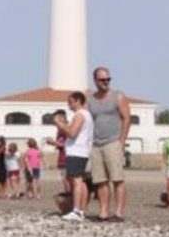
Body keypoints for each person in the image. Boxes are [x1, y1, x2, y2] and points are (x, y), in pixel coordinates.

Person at [88, 67, 132, 222]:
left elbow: (127, 118)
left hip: (113, 142)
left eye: (108, 79)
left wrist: (121, 141)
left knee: (117, 179)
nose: (105, 82)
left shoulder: (118, 96)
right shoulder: (90, 99)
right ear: (95, 80)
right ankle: (103, 212)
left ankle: (119, 212)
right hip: (96, 144)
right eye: (102, 79)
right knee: (100, 180)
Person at [56, 93, 94, 222]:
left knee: (76, 181)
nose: (69, 105)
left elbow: (72, 133)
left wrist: (60, 124)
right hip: (82, 151)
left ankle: (77, 210)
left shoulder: (80, 115)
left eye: (71, 101)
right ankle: (81, 210)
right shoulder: (87, 115)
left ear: (78, 101)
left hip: (77, 151)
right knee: (81, 182)